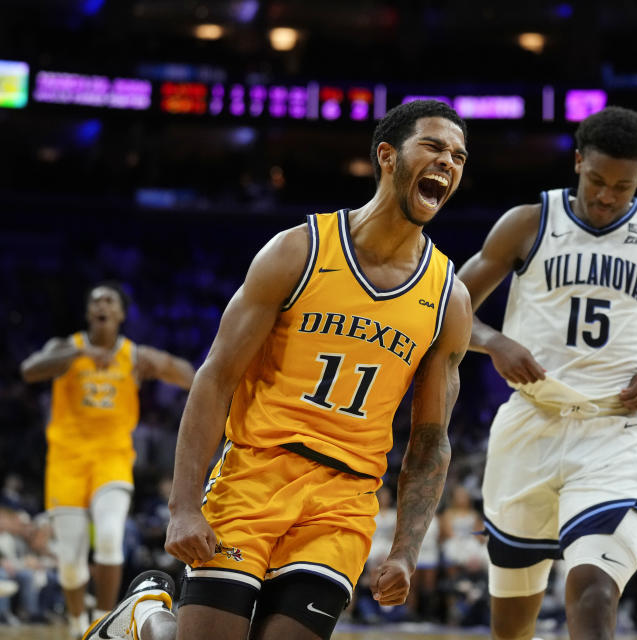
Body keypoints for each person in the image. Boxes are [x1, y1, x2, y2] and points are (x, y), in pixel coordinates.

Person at [83, 98, 472, 640]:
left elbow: (431, 438)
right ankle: (145, 615)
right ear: (387, 156)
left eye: (458, 155)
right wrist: (184, 507)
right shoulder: (299, 251)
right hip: (255, 472)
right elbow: (215, 376)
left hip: (345, 500)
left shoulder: (448, 298)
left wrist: (406, 548)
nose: (448, 162)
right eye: (433, 147)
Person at [457, 105, 637, 640]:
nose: (605, 196)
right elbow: (449, 307)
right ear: (577, 163)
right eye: (596, 180)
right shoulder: (529, 222)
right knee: (512, 627)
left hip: (612, 429)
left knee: (594, 586)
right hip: (530, 424)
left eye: (621, 185)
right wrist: (493, 341)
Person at [20, 283, 195, 637]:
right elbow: (30, 370)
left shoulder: (132, 354)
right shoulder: (66, 347)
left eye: (109, 300)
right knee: (70, 562)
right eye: (95, 300)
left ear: (120, 315)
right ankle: (74, 625)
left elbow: (189, 374)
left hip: (111, 459)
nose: (102, 304)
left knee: (112, 536)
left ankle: (103, 622)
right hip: (66, 462)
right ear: (89, 313)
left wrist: (158, 365)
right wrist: (76, 356)